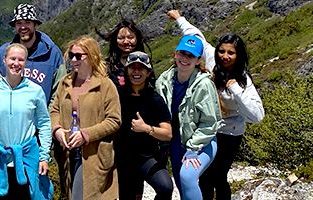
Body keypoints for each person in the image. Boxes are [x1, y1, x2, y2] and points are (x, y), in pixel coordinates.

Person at [50, 35, 121, 200]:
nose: (74, 60)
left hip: (94, 154)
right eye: (71, 55)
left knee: (83, 195)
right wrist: (57, 130)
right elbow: (54, 111)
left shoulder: (105, 85)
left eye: (79, 56)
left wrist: (86, 135)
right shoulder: (65, 83)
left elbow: (114, 120)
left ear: (92, 57)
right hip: (68, 151)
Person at [155, 35, 222, 200]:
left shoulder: (204, 85)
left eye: (191, 55)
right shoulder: (164, 80)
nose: (185, 58)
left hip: (203, 141)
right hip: (176, 142)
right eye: (182, 53)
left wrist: (193, 148)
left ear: (198, 60)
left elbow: (210, 123)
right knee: (181, 183)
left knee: (187, 176)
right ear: (175, 54)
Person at [199, 33, 264, 200]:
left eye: (231, 53)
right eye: (221, 51)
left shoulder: (243, 80)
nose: (225, 56)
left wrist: (236, 90)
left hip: (229, 135)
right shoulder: (214, 64)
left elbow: (257, 116)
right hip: (208, 131)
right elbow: (198, 38)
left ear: (238, 55)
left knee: (217, 176)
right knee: (205, 177)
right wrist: (179, 19)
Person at [0, 43, 52, 200]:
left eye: (21, 60)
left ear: (26, 62)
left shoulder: (35, 91)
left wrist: (44, 156)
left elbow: (44, 124)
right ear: (4, 60)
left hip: (27, 159)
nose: (16, 63)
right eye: (12, 58)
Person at [115, 51, 174, 200]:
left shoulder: (155, 99)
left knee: (165, 187)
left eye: (141, 68)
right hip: (121, 157)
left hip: (146, 156)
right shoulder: (116, 95)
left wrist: (146, 128)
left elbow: (168, 134)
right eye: (132, 67)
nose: (136, 71)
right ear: (126, 71)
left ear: (148, 73)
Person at [0, 4, 64, 101]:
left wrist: (48, 115)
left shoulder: (53, 54)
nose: (23, 27)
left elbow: (60, 91)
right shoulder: (3, 52)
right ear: (15, 26)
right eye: (19, 23)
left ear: (35, 25)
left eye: (27, 22)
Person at [99, 19, 148, 87]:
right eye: (121, 38)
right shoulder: (108, 67)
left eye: (130, 37)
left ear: (137, 38)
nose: (126, 42)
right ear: (115, 41)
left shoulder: (145, 62)